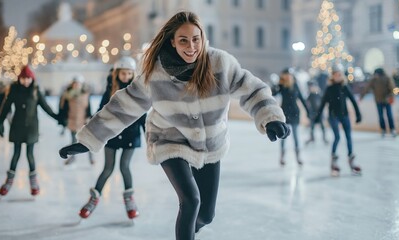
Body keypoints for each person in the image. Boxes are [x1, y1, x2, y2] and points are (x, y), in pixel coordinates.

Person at [59, 11, 289, 240]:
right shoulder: (155, 75)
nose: (191, 46)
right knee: (191, 200)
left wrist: (271, 117)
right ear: (172, 41)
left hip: (210, 143)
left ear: (202, 38)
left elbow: (253, 89)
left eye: (196, 39)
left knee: (206, 215)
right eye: (183, 40)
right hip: (169, 140)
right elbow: (122, 106)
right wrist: (88, 139)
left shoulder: (220, 64)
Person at [79, 56, 146, 220]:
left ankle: (130, 201)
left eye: (129, 73)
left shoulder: (137, 91)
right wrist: (92, 134)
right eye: (123, 73)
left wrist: (150, 137)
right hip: (112, 135)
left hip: (131, 134)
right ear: (117, 73)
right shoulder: (110, 90)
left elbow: (143, 115)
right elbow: (100, 114)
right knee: (108, 168)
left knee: (124, 166)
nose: (126, 77)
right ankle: (93, 199)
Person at [0, 65, 58, 196]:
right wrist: (0, 122)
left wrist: (58, 117)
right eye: (23, 79)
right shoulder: (14, 90)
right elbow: (6, 107)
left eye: (28, 79)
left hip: (31, 128)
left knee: (30, 155)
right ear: (19, 79)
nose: (26, 81)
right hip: (17, 126)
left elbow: (46, 107)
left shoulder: (35, 91)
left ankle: (34, 182)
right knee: (16, 154)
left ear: (32, 79)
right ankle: (8, 182)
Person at [314, 64, 362, 177]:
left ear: (341, 76)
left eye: (339, 74)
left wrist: (358, 114)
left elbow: (353, 101)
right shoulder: (329, 89)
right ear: (332, 76)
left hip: (344, 115)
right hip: (333, 116)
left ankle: (351, 160)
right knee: (337, 137)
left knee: (349, 137)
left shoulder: (344, 87)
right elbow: (322, 104)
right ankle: (334, 161)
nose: (337, 76)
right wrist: (318, 116)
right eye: (335, 75)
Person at [272, 68, 310, 166]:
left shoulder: (295, 86)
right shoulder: (281, 86)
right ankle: (282, 157)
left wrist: (308, 111)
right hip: (284, 114)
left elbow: (301, 99)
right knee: (283, 136)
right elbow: (273, 94)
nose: (288, 76)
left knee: (296, 137)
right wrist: (276, 85)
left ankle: (298, 157)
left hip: (295, 114)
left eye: (290, 75)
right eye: (286, 75)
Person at [58, 75, 94, 165]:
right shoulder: (67, 95)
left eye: (78, 84)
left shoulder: (85, 95)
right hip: (72, 121)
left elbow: (88, 108)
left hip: (83, 121)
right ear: (72, 84)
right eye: (75, 84)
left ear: (81, 85)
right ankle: (72, 158)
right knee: (73, 142)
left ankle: (91, 158)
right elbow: (63, 108)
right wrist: (63, 120)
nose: (76, 85)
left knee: (87, 141)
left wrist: (89, 118)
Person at [360, 68, 396, 137]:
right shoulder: (373, 80)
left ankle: (392, 129)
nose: (375, 75)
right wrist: (362, 96)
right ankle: (383, 129)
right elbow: (367, 88)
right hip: (378, 101)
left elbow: (392, 88)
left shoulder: (387, 78)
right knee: (381, 116)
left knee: (389, 115)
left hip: (387, 100)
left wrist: (391, 96)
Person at [305, 80, 328, 145]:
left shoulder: (319, 95)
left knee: (322, 127)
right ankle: (312, 138)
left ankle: (324, 138)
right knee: (312, 127)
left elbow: (323, 103)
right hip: (313, 114)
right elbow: (307, 103)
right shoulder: (310, 95)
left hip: (319, 113)